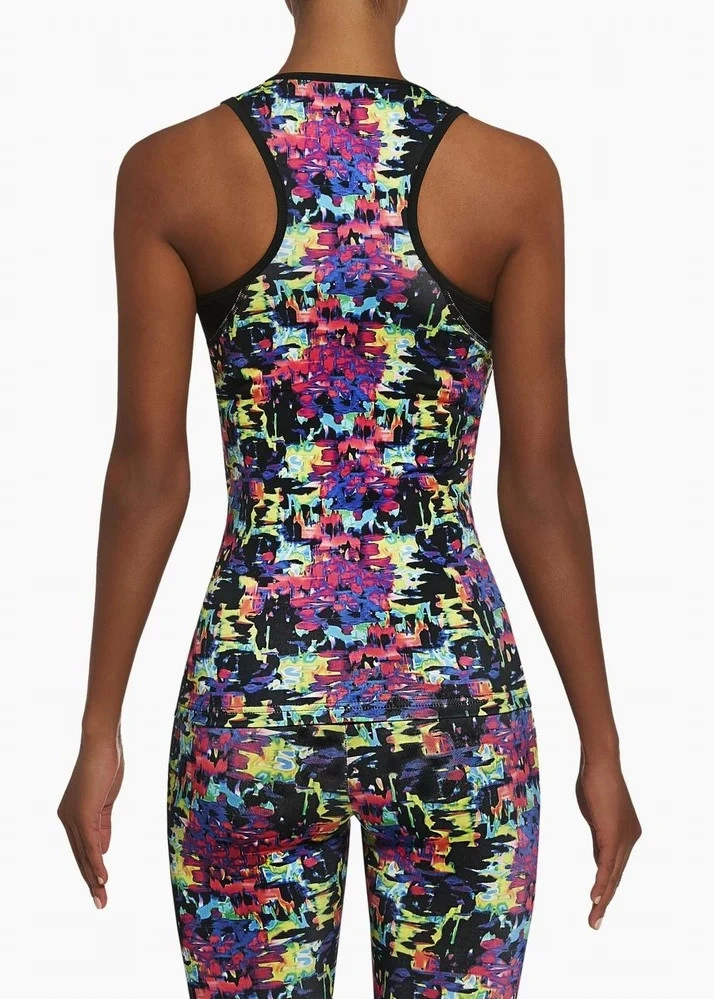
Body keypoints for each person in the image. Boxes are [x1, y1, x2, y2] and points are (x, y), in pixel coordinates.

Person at [58, 1, 641, 996]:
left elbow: (149, 475)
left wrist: (98, 727)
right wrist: (603, 742)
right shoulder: (513, 178)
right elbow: (540, 485)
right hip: (451, 701)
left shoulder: (168, 172)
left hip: (252, 701)